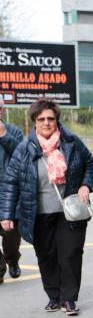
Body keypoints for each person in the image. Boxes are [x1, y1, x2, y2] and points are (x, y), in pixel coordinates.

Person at [0, 99, 93, 315]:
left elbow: (89, 163)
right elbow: (11, 182)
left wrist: (85, 185)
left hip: (69, 212)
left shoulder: (71, 141)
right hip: (38, 214)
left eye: (51, 118)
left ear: (56, 120)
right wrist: (6, 214)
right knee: (46, 256)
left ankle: (69, 299)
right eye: (41, 119)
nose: (46, 123)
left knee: (70, 255)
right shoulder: (24, 149)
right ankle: (54, 296)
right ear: (34, 121)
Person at [0, 97, 24, 282]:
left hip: (9, 195)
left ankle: (13, 260)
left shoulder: (13, 131)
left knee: (11, 237)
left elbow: (22, 156)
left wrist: (3, 136)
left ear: (2, 110)